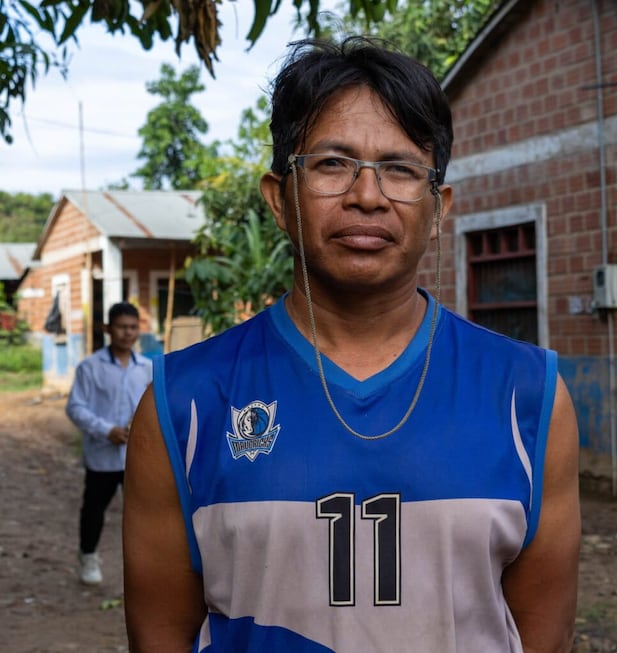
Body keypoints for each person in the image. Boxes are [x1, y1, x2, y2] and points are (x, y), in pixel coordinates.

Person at [123, 36, 581, 652]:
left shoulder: (530, 397)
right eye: (333, 164)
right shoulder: (185, 405)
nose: (368, 196)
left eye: (400, 169)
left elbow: (542, 636)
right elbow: (160, 635)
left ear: (438, 208)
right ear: (280, 198)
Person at [66, 301, 152, 585]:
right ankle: (88, 557)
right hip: (102, 456)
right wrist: (107, 430)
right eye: (121, 327)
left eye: (132, 327)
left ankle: (144, 565)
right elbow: (76, 408)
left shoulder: (148, 369)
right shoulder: (90, 368)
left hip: (137, 455)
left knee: (142, 513)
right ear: (108, 329)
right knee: (94, 509)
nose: (127, 333)